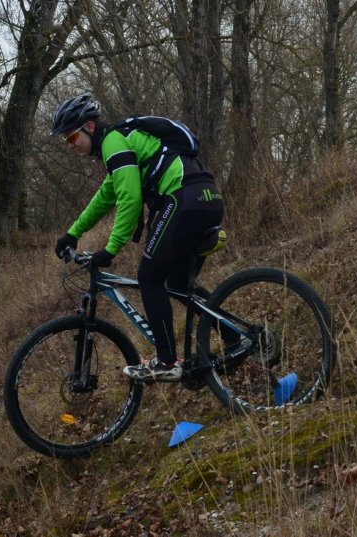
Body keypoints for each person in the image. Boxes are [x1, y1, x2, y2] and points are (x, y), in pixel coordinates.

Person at [50, 93, 226, 382]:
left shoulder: (113, 142)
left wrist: (110, 250)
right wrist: (73, 232)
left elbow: (129, 199)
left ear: (90, 127)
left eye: (71, 138)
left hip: (183, 199)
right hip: (206, 198)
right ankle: (238, 339)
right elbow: (106, 196)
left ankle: (167, 362)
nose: (70, 146)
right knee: (178, 284)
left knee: (149, 276)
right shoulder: (121, 145)